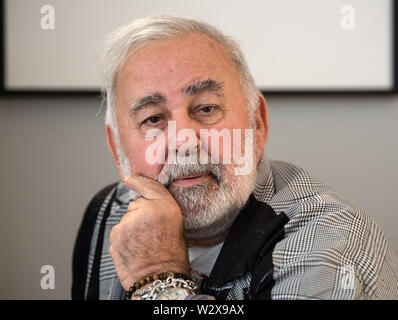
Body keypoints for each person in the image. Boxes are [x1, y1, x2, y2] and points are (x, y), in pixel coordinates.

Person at [72, 15, 398, 300]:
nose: (184, 141)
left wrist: (157, 280)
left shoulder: (325, 242)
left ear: (257, 123)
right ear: (117, 150)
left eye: (207, 108)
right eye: (153, 119)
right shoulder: (108, 213)